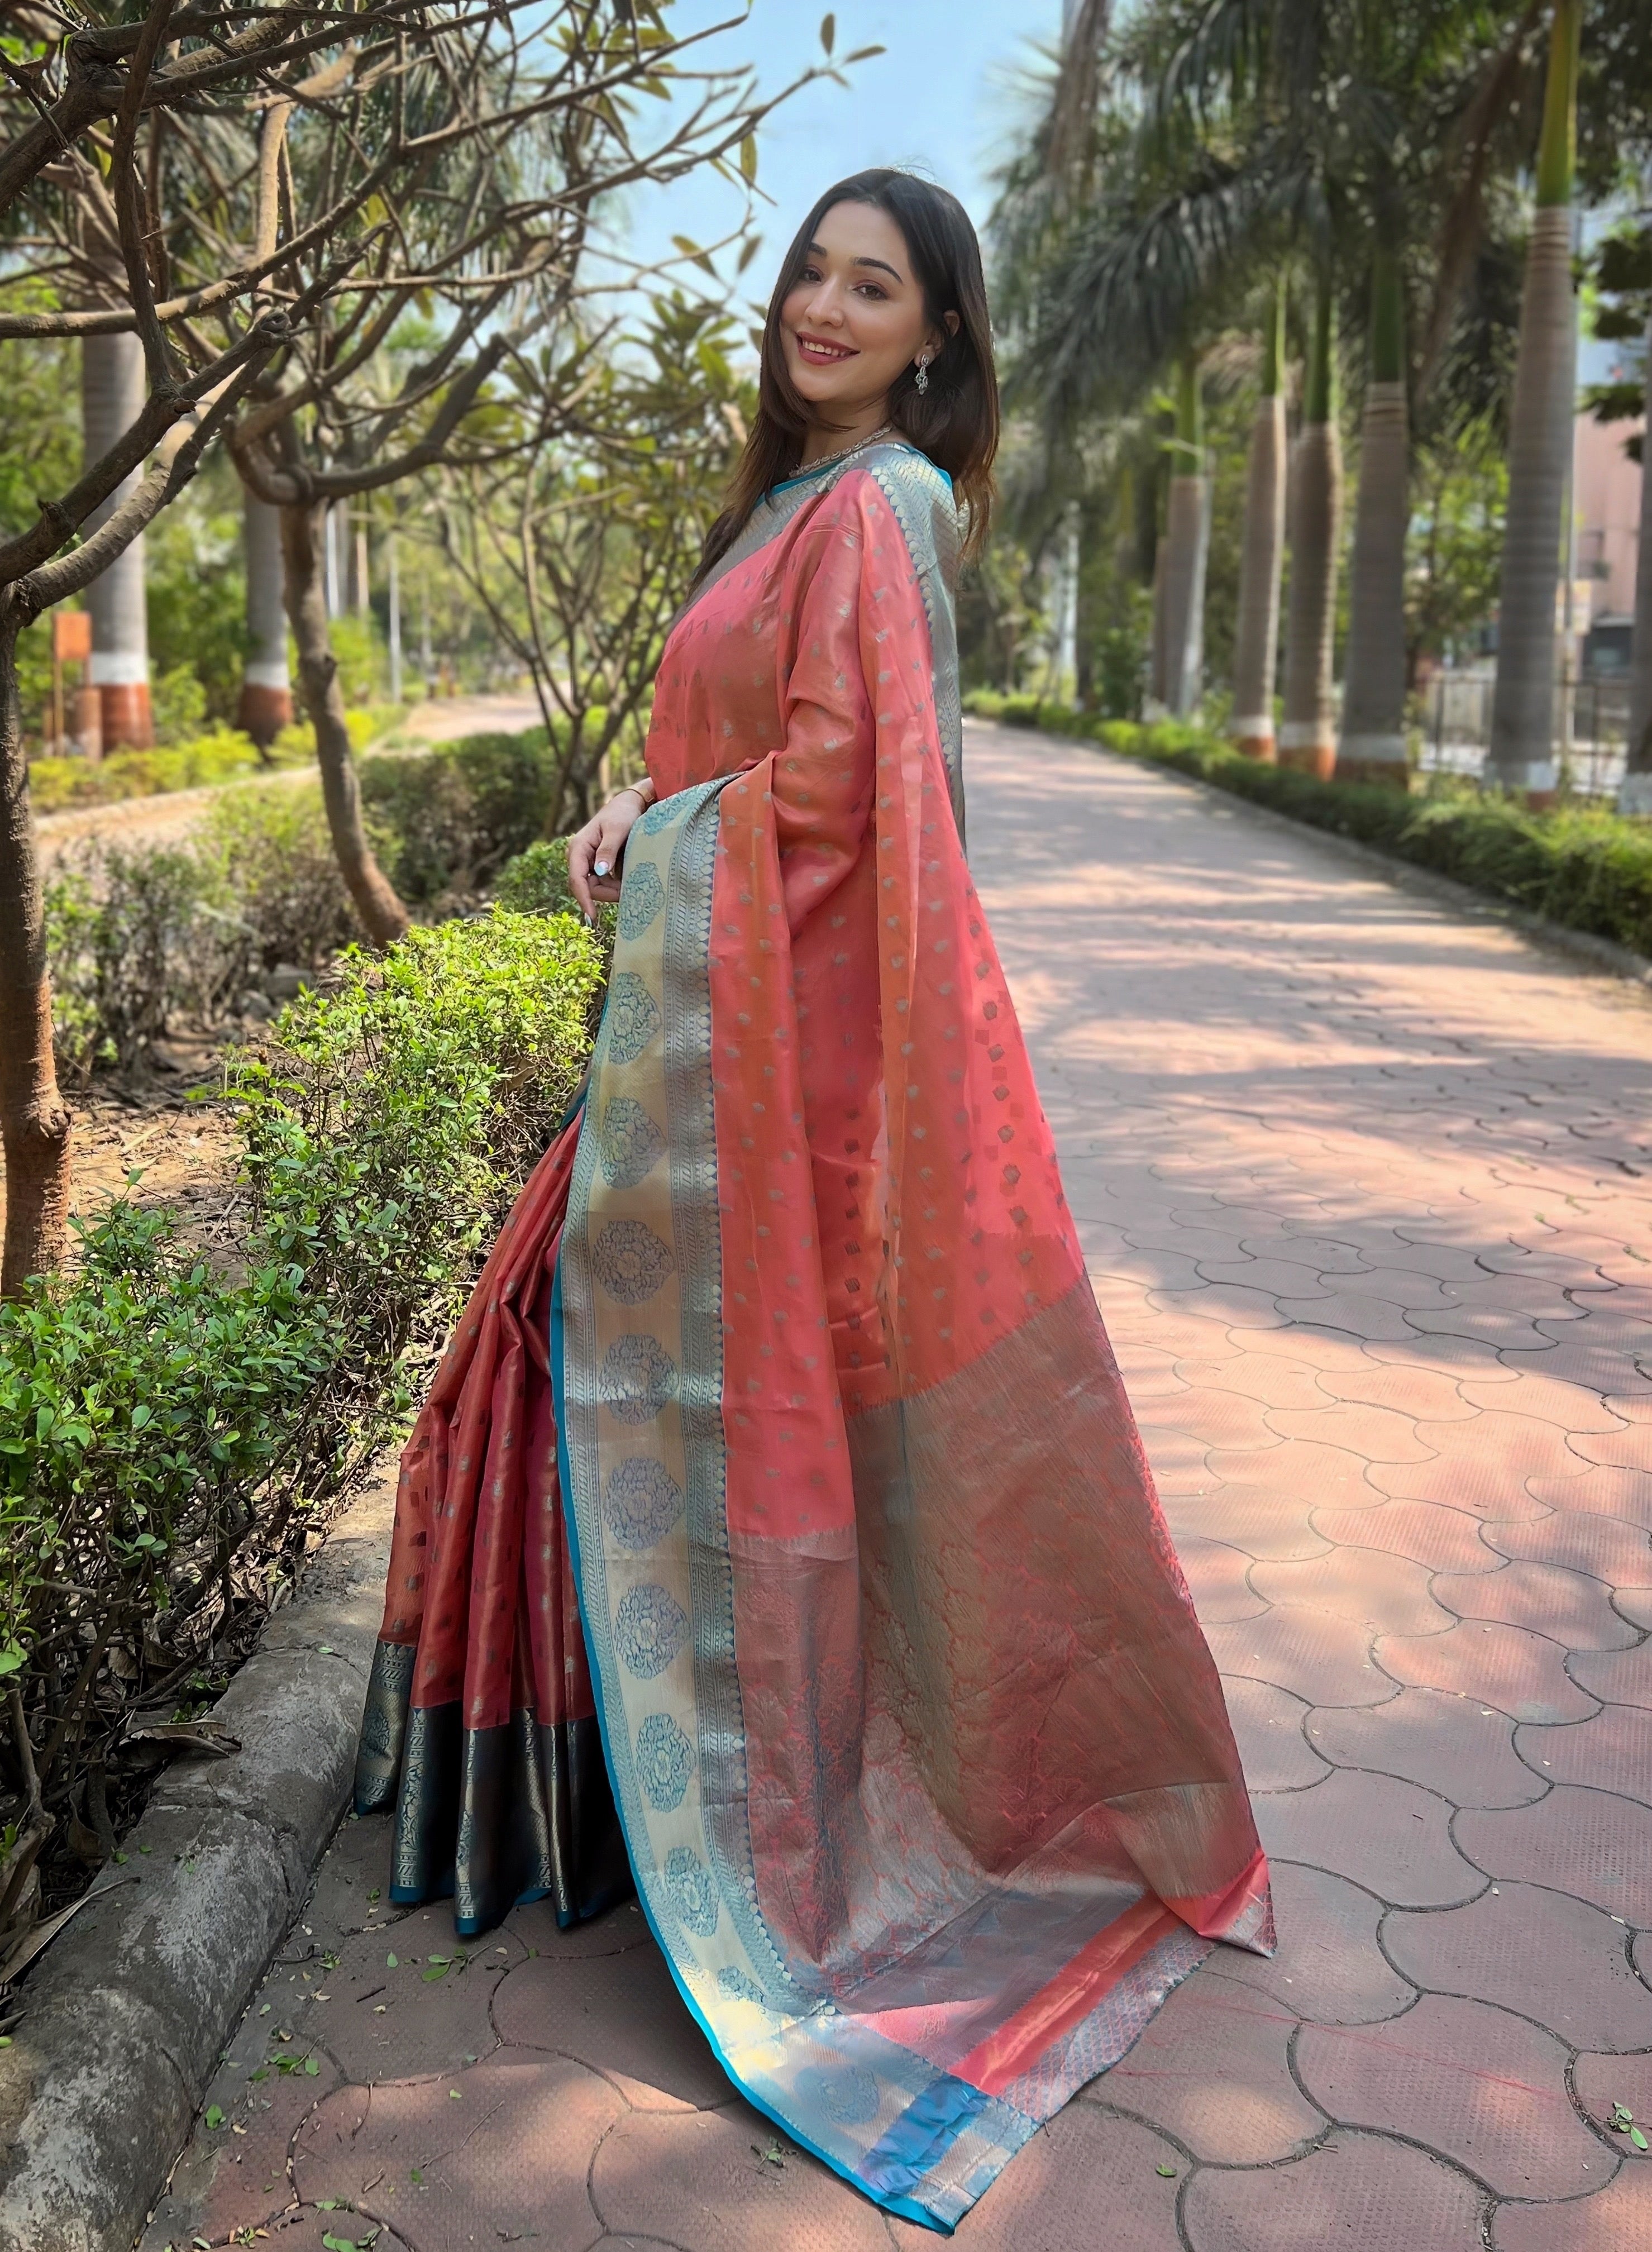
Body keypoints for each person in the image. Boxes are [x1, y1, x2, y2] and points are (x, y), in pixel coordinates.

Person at [356, 168, 1272, 2232]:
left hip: (773, 1068)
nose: (825, 307)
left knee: (691, 1414)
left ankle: (734, 1846)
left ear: (939, 339)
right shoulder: (795, 502)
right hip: (714, 1045)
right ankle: (609, 1810)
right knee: (564, 1379)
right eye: (812, 272)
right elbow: (757, 759)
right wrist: (645, 805)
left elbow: (850, 796)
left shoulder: (881, 507)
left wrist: (669, 823)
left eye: (878, 287)